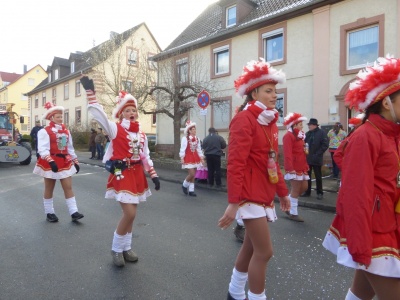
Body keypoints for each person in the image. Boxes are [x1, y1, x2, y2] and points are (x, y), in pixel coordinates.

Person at [323, 55, 400, 299]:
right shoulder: (365, 136)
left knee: (360, 293)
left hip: (388, 223)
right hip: (372, 230)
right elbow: (355, 194)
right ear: (387, 103)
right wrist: (359, 245)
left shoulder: (392, 135)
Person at [218, 58, 290, 300]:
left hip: (263, 192)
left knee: (250, 247)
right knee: (265, 252)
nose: (274, 95)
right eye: (269, 91)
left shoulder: (269, 120)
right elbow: (235, 163)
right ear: (253, 92)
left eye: (275, 91)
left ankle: (235, 292)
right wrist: (234, 201)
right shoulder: (244, 119)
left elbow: (272, 161)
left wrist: (283, 192)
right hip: (249, 194)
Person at [80, 75, 160, 267]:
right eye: (128, 110)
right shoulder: (115, 129)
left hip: (138, 174)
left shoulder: (141, 134)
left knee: (133, 212)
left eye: (134, 110)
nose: (131, 112)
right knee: (129, 214)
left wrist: (154, 174)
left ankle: (127, 247)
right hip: (121, 172)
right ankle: (116, 249)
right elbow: (99, 116)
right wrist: (91, 94)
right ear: (122, 113)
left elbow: (145, 156)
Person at [33, 102, 84, 223]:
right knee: (49, 188)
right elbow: (42, 149)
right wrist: (50, 161)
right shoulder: (44, 131)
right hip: (50, 161)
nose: (61, 119)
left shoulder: (66, 131)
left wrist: (75, 161)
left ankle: (74, 212)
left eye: (61, 116)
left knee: (68, 187)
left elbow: (70, 148)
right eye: (58, 117)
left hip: (65, 161)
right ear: (51, 118)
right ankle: (49, 212)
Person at [282, 112, 309, 222]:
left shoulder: (301, 136)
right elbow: (287, 154)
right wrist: (290, 168)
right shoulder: (288, 136)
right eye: (300, 124)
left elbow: (302, 152)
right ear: (293, 125)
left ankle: (287, 203)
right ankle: (293, 212)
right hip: (294, 167)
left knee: (304, 187)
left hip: (302, 166)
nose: (302, 126)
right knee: (296, 189)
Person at [302, 118, 328, 200]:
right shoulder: (308, 134)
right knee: (308, 176)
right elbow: (304, 144)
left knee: (318, 176)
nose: (309, 126)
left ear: (314, 125)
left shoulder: (322, 133)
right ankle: (307, 191)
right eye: (308, 125)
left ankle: (319, 192)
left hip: (317, 158)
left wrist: (318, 154)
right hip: (308, 158)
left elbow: (325, 145)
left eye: (310, 125)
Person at [179, 121, 204, 197]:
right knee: (192, 173)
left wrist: (201, 158)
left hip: (195, 157)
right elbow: (182, 149)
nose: (194, 131)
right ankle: (184, 185)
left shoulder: (197, 139)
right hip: (188, 157)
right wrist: (182, 157)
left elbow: (199, 149)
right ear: (189, 131)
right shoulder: (185, 139)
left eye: (195, 129)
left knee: (193, 175)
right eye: (193, 129)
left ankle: (191, 190)